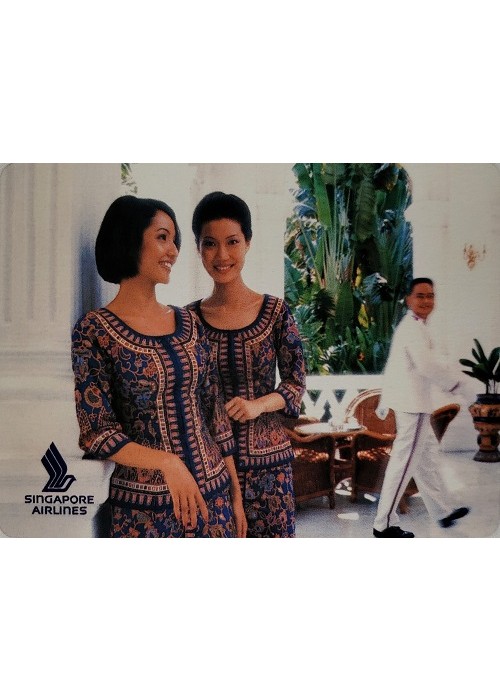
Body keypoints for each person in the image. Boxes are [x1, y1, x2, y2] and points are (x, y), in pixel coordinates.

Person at [71, 195, 246, 537]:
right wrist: (167, 462)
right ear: (130, 238)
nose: (174, 251)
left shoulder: (189, 322)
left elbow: (215, 413)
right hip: (145, 513)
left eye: (175, 240)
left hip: (215, 501)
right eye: (162, 237)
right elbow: (97, 431)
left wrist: (236, 495)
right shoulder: (94, 331)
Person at [187, 191, 307, 537]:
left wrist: (258, 405)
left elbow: (296, 382)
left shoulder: (275, 312)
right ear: (198, 249)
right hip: (209, 470)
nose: (222, 255)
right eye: (210, 244)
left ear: (248, 243)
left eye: (232, 242)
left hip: (270, 469)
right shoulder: (187, 321)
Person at [373, 277, 469, 538]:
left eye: (430, 296)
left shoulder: (416, 326)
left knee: (427, 461)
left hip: (414, 403)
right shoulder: (412, 329)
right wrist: (455, 383)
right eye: (420, 296)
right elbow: (426, 366)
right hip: (412, 405)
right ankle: (383, 524)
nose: (426, 301)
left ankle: (442, 512)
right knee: (403, 464)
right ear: (409, 300)